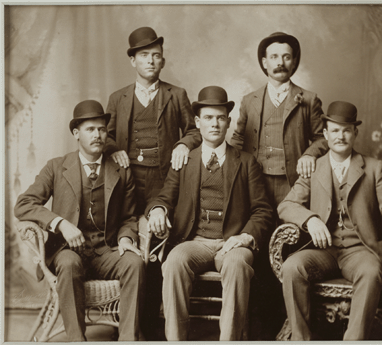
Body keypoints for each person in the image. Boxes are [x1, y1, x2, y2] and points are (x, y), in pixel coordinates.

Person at [278, 101, 382, 340]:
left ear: (355, 133)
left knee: (371, 272)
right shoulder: (314, 169)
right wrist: (310, 219)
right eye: (334, 130)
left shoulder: (373, 168)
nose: (340, 136)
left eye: (346, 130)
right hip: (323, 251)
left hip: (360, 250)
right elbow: (286, 205)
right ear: (325, 134)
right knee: (292, 267)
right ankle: (300, 339)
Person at [146, 86, 273, 341]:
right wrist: (158, 209)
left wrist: (246, 237)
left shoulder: (246, 162)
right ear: (197, 122)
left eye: (220, 118)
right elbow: (164, 197)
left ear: (228, 122)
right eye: (208, 117)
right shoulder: (185, 161)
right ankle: (175, 340)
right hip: (195, 242)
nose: (214, 124)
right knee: (174, 261)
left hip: (232, 242)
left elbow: (263, 210)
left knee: (237, 264)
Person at [14, 100, 145, 341]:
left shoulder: (120, 170)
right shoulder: (56, 167)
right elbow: (23, 204)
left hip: (107, 250)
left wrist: (126, 239)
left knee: (134, 263)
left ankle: (129, 338)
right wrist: (60, 223)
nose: (98, 135)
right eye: (90, 129)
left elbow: (128, 217)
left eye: (102, 129)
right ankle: (76, 339)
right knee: (68, 263)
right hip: (67, 250)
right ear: (76, 133)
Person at [105, 26, 201, 216]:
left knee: (160, 226)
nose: (150, 61)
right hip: (127, 175)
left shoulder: (177, 95)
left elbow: (194, 131)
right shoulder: (117, 98)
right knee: (128, 225)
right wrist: (114, 149)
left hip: (164, 178)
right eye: (144, 55)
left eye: (156, 56)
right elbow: (105, 136)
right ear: (133, 61)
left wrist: (183, 145)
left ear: (163, 62)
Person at [231, 31, 327, 215]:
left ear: (293, 63)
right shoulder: (249, 100)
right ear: (265, 62)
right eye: (274, 57)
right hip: (255, 180)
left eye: (286, 57)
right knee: (258, 228)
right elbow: (238, 138)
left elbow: (323, 138)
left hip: (293, 181)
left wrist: (310, 155)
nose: (280, 63)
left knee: (289, 231)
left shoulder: (309, 99)